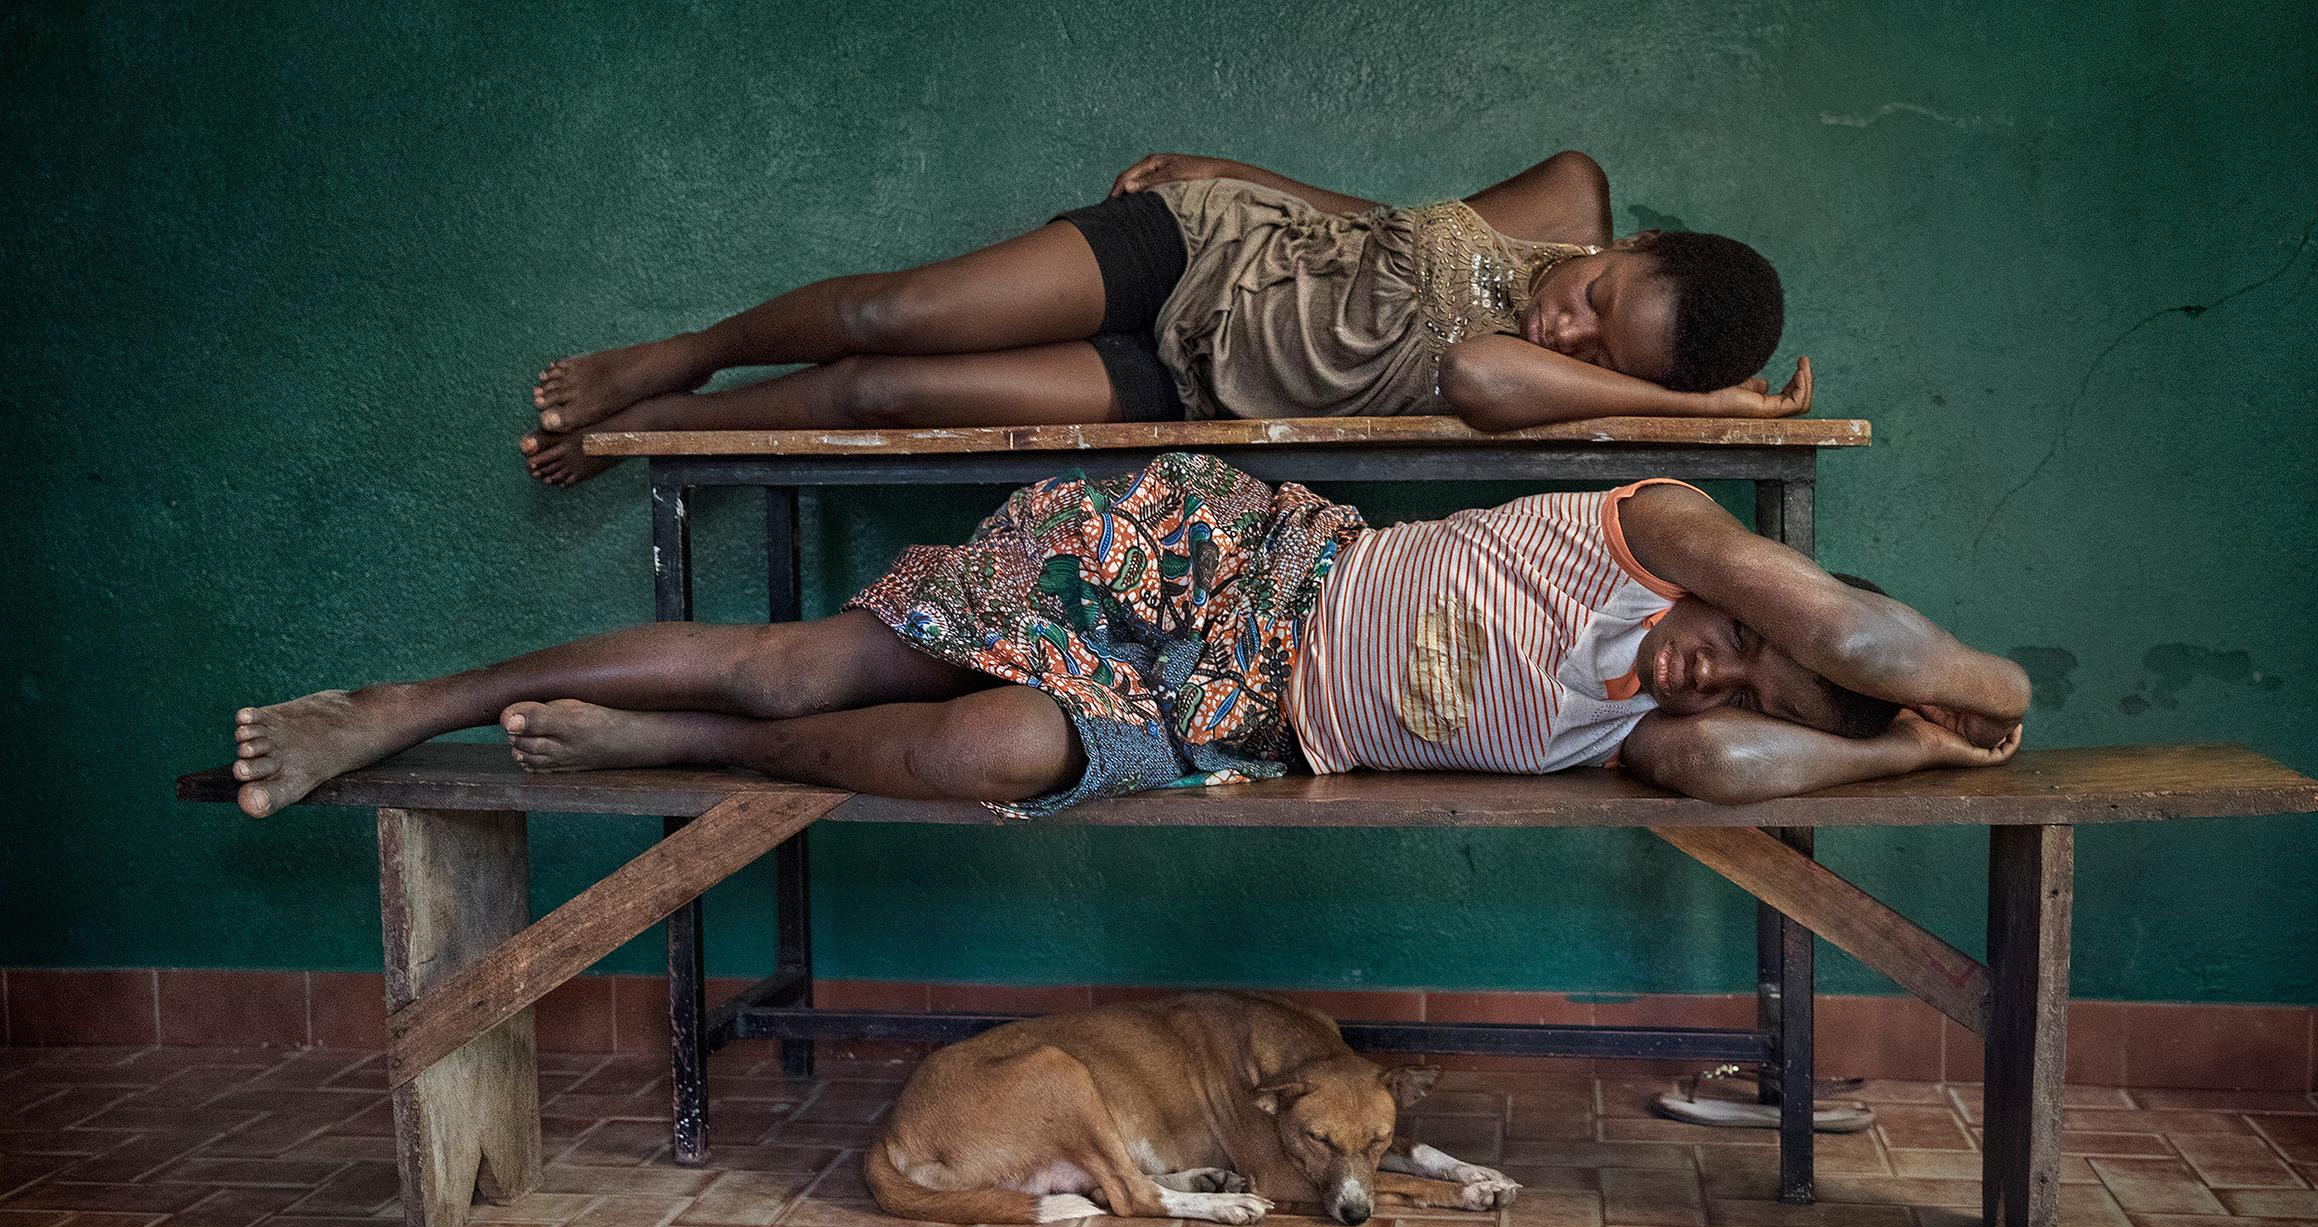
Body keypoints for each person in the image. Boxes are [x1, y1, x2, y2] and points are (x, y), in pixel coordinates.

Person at [229, 455, 2026, 820]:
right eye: (1741, 639)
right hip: (1207, 559)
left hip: (1232, 719)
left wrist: (1867, 744)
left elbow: (1724, 758)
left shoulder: (1656, 733)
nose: (1711, 667)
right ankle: (419, 698)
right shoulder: (1670, 528)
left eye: (1753, 684)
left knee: (985, 751)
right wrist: (1952, 692)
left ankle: (665, 750)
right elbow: (1880, 633)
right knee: (801, 664)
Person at [516, 152, 1812, 486]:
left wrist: (1686, 404)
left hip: (1193, 388)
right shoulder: (1567, 193)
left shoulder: (1530, 370)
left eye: (1602, 354)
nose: (1572, 329)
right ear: (1626, 240)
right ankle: (680, 357)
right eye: (1595, 300)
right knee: (895, 308)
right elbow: (1392, 221)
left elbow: (1478, 373)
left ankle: (670, 428)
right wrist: (1227, 164)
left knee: (885, 394)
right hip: (1207, 245)